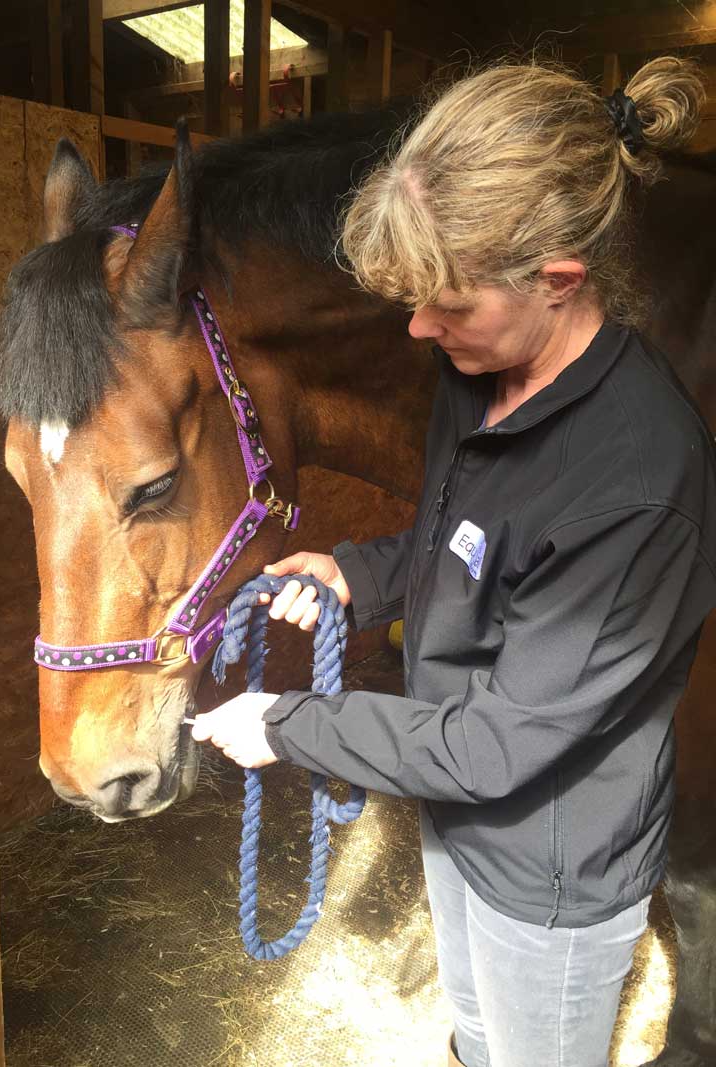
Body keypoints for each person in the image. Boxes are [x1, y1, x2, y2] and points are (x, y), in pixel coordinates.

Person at [191, 56, 716, 1067]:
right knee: (475, 1043)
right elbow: (464, 542)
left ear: (559, 279)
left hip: (551, 872)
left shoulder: (633, 479)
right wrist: (359, 573)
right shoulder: (479, 372)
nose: (418, 327)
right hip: (462, 820)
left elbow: (498, 747)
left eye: (446, 302)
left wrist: (290, 725)